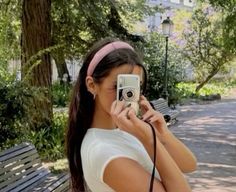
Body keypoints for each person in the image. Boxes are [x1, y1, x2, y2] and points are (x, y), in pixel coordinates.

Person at [66, 38, 197, 192]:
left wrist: (161, 135)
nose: (127, 95)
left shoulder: (125, 133)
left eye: (135, 86)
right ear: (92, 85)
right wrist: (149, 140)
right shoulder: (102, 150)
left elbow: (189, 165)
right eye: (118, 86)